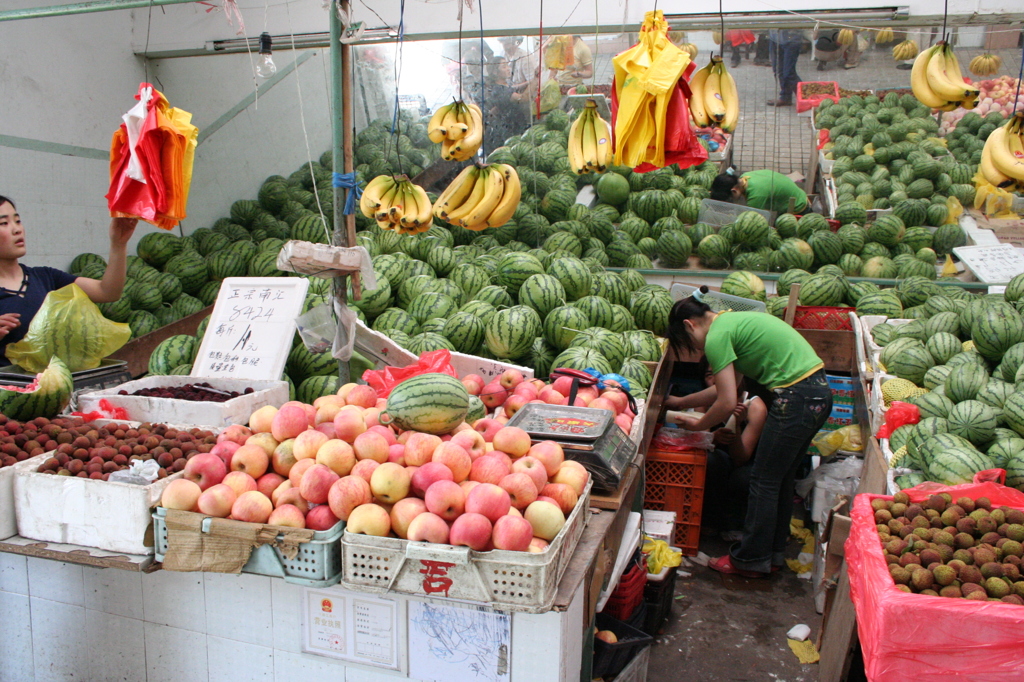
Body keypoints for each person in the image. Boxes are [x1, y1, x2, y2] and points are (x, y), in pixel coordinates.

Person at [664, 287, 832, 577]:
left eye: (689, 341)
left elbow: (727, 402)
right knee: (779, 480)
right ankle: (772, 554)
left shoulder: (717, 336)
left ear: (689, 325)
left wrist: (698, 425)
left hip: (794, 398)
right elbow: (725, 389)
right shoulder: (732, 323)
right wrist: (680, 402)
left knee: (763, 481)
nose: (697, 349)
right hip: (816, 395)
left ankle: (749, 560)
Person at [0, 196, 137, 357]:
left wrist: (118, 244)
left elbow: (108, 292)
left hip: (51, 380)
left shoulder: (45, 277)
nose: (17, 229)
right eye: (4, 223)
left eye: (17, 221)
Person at [688, 359, 768, 538]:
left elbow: (741, 458)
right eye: (710, 376)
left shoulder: (755, 406)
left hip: (745, 464)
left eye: (722, 375)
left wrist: (736, 427)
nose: (716, 381)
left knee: (743, 478)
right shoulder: (704, 402)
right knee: (709, 461)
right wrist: (713, 438)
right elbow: (698, 442)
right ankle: (709, 523)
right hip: (718, 460)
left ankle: (735, 525)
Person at [710, 169, 808, 214]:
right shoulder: (746, 176)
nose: (732, 201)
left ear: (734, 190)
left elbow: (754, 221)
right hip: (798, 193)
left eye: (730, 199)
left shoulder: (756, 196)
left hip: (798, 206)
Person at [767, 29, 805, 106]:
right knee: (778, 70)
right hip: (775, 36)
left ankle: (806, 98)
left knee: (789, 73)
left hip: (792, 38)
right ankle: (785, 97)